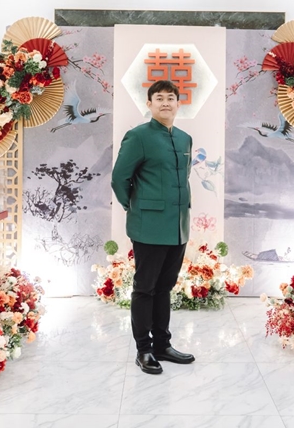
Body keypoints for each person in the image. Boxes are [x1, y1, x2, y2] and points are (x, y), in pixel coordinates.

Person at [111, 79, 195, 375]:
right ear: (149, 104)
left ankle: (162, 345)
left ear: (178, 104)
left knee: (164, 288)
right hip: (148, 226)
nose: (165, 103)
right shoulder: (138, 136)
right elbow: (119, 178)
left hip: (178, 226)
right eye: (159, 98)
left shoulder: (184, 139)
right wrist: (134, 207)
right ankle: (143, 350)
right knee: (145, 288)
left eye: (170, 98)